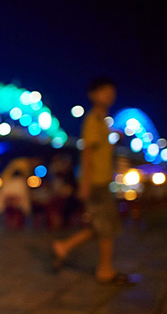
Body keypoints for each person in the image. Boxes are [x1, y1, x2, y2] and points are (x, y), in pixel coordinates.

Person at [51, 78, 129, 284]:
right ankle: (105, 270)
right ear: (93, 95)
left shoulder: (102, 120)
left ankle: (64, 247)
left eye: (111, 92)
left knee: (101, 225)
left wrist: (114, 136)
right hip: (96, 182)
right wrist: (85, 183)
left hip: (101, 181)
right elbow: (86, 152)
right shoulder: (93, 119)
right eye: (104, 91)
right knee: (106, 226)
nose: (109, 96)